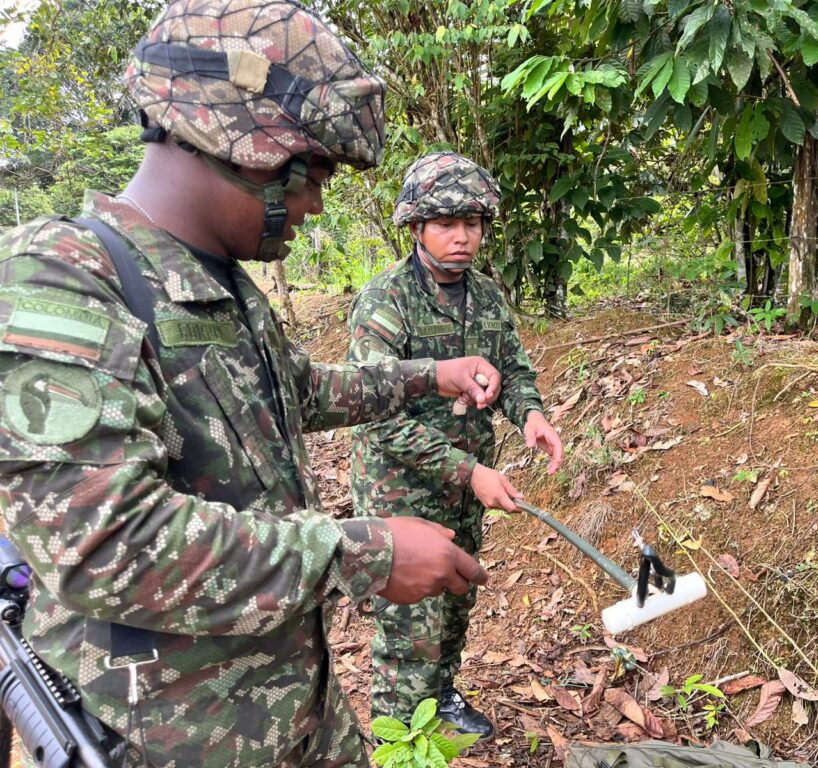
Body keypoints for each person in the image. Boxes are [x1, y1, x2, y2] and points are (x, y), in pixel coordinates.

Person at [0, 3, 503, 766]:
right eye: (315, 176)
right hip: (167, 736)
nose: (317, 204)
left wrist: (430, 375)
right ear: (246, 145)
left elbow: (297, 394)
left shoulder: (220, 284)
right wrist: (360, 554)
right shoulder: (62, 279)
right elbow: (104, 543)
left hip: (291, 708)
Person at [347, 151, 564, 739]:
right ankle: (399, 736)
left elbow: (512, 368)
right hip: (402, 488)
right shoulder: (385, 301)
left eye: (472, 223)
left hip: (468, 483)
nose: (462, 237)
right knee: (409, 618)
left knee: (457, 592)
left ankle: (440, 697)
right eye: (446, 223)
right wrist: (469, 473)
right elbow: (375, 418)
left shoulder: (486, 295)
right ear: (416, 227)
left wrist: (531, 415)